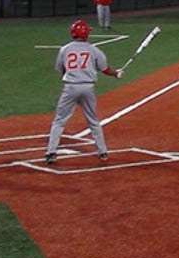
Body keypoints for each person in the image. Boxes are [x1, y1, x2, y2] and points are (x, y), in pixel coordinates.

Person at [45, 19, 122, 165]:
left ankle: (51, 152)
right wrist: (116, 73)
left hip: (70, 87)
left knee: (60, 120)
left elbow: (62, 70)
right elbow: (105, 69)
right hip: (88, 88)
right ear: (85, 33)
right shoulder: (94, 50)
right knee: (93, 120)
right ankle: (103, 151)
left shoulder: (64, 49)